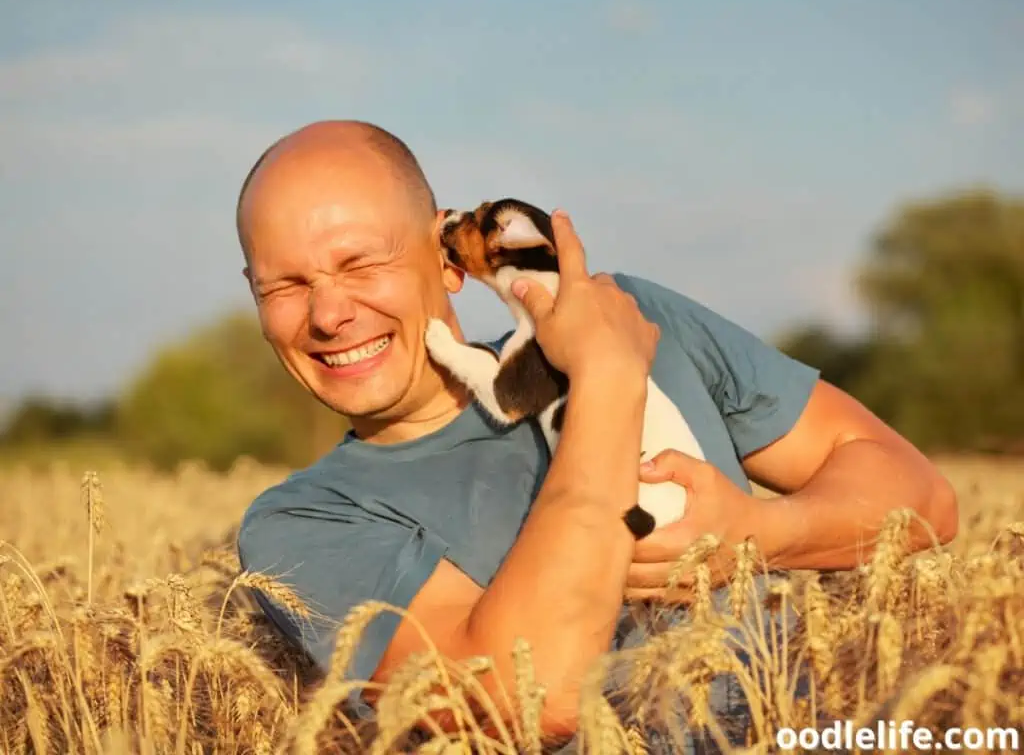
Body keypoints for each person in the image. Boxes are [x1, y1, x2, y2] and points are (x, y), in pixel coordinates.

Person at [233, 120, 958, 747]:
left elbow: (923, 497)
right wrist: (608, 375)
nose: (327, 314)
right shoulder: (301, 526)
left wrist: (761, 534)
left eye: (361, 263)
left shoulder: (636, 313)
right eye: (285, 286)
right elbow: (527, 699)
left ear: (447, 258)